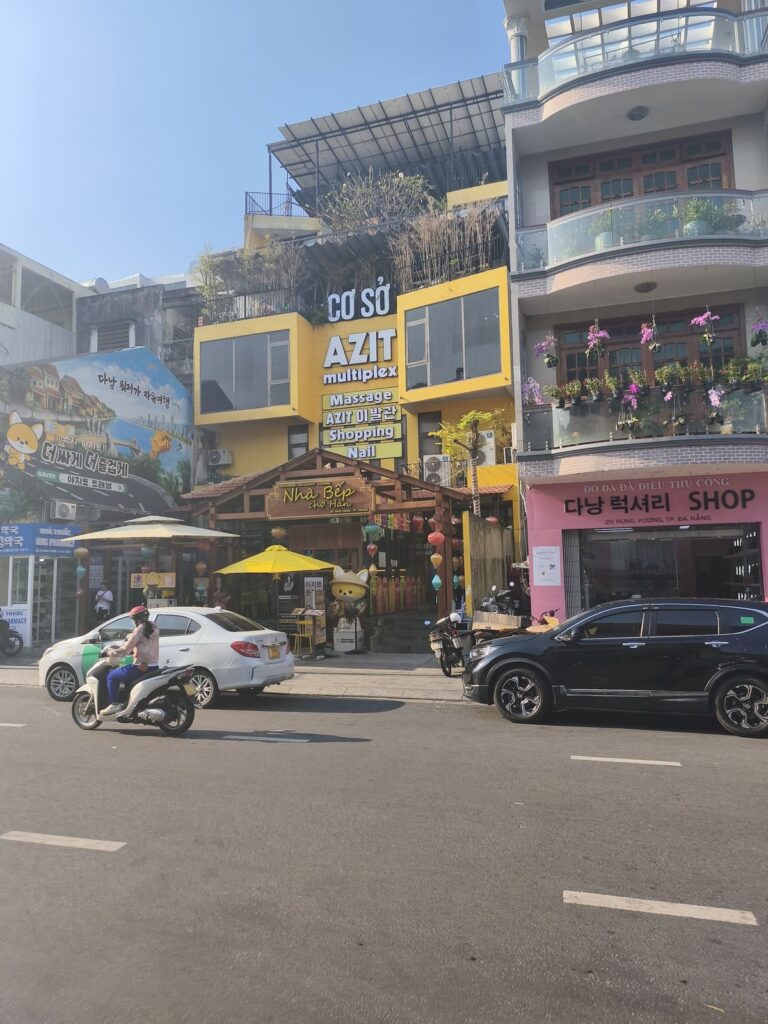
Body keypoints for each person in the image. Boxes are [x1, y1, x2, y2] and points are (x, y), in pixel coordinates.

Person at [101, 606, 160, 717]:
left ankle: (115, 704)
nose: (133, 622)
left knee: (111, 676)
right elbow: (145, 645)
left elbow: (124, 650)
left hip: (140, 667)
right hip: (154, 666)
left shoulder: (139, 630)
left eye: (133, 620)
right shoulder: (154, 627)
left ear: (137, 619)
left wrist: (110, 652)